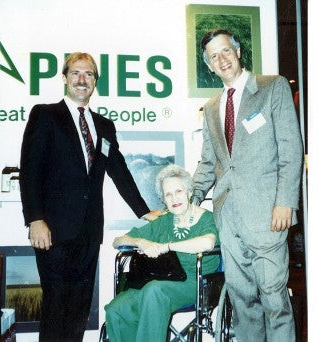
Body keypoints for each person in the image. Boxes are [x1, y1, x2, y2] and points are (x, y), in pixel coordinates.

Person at [19, 52, 159, 342]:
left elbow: (118, 170)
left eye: (89, 75)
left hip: (89, 231)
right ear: (64, 78)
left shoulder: (104, 125)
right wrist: (35, 219)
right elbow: (29, 170)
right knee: (56, 306)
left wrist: (144, 211)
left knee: (79, 309)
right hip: (52, 231)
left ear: (95, 81)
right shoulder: (45, 115)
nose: (82, 80)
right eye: (76, 73)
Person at [193, 29, 303, 342]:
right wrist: (189, 200)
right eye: (214, 56)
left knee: (274, 300)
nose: (222, 59)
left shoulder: (273, 87)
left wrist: (286, 202)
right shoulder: (212, 107)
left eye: (226, 51)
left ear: (238, 52)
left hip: (268, 214)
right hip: (229, 220)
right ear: (210, 66)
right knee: (243, 303)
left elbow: (290, 150)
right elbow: (207, 164)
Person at [105, 164, 219, 342]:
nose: (174, 198)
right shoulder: (164, 222)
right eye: (168, 194)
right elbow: (118, 240)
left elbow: (207, 242)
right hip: (163, 280)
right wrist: (142, 241)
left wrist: (167, 246)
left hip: (196, 282)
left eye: (178, 191)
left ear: (189, 192)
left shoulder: (206, 218)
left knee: (154, 291)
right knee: (117, 308)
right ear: (164, 200)